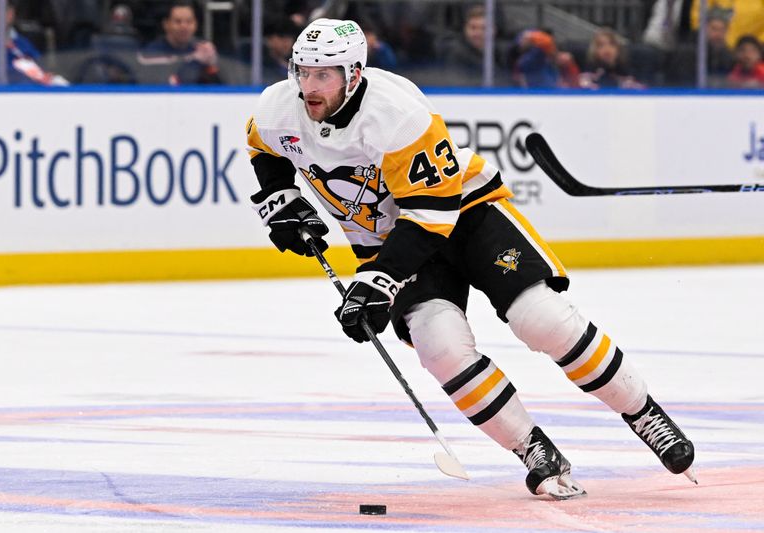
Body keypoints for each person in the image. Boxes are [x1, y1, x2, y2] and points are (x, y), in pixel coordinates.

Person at [245, 18, 696, 499]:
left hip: (465, 213)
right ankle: (533, 449)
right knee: (439, 348)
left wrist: (379, 281)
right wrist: (282, 202)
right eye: (303, 72)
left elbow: (431, 213)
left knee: (541, 319)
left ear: (354, 74)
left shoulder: (395, 113)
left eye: (324, 75)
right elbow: (264, 148)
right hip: (386, 241)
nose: (309, 87)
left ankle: (643, 412)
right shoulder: (279, 107)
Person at [0, 0, 68, 86]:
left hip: (34, 99)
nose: (2, 13)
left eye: (8, 8)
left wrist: (52, 81)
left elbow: (40, 71)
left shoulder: (21, 42)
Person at [138, 0, 220, 86]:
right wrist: (193, 61)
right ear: (166, 24)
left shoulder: (202, 50)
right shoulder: (151, 53)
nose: (184, 26)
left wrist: (212, 65)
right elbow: (170, 84)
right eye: (178, 21)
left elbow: (220, 90)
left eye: (189, 22)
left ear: (196, 24)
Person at [579, 28, 646, 89]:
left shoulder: (626, 69)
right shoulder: (590, 69)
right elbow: (581, 86)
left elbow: (641, 90)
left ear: (618, 48)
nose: (607, 49)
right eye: (601, 45)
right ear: (595, 50)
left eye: (611, 44)